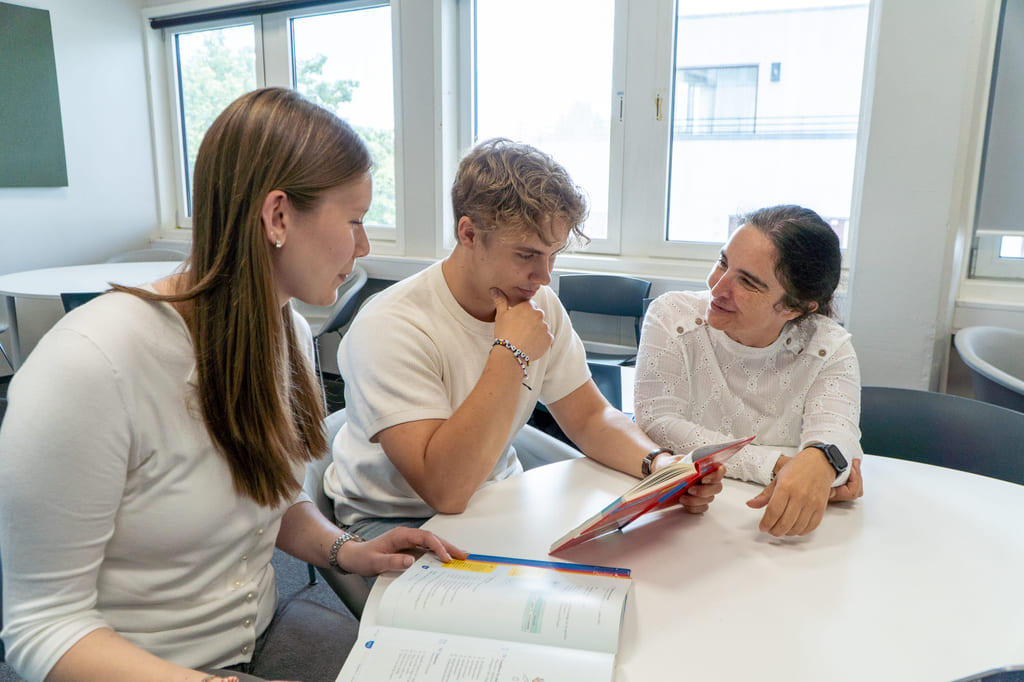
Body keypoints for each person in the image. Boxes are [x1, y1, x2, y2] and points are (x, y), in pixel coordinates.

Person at [0, 87, 463, 682]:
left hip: (260, 634)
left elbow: (270, 493)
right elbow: (41, 628)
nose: (364, 244)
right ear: (277, 217)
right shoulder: (92, 366)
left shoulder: (286, 332)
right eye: (353, 219)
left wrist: (347, 549)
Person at [324, 138, 724, 539]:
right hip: (396, 518)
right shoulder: (390, 324)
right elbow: (444, 490)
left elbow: (588, 416)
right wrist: (510, 353)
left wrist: (658, 466)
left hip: (495, 495)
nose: (544, 276)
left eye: (553, 255)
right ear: (468, 233)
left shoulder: (538, 301)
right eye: (527, 255)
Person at [634, 204, 865, 538]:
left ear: (795, 307)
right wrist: (781, 466)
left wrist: (822, 467)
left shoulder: (828, 348)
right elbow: (656, 424)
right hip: (682, 519)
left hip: (769, 533)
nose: (717, 288)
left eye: (748, 282)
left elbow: (837, 442)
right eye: (723, 262)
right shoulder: (673, 316)